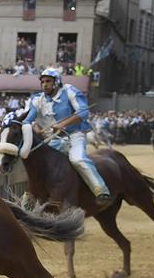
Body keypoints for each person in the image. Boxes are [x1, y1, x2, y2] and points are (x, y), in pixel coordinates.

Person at [24, 68, 111, 205]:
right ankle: (30, 196)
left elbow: (83, 113)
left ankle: (100, 190)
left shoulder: (70, 91)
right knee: (39, 164)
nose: (44, 84)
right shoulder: (37, 99)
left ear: (57, 81)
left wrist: (63, 124)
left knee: (78, 159)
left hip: (74, 135)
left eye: (48, 81)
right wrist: (34, 126)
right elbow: (28, 119)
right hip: (52, 139)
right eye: (42, 82)